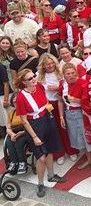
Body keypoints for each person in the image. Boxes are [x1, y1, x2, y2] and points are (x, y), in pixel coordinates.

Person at [15, 69, 66, 198]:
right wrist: (34, 136)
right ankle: (40, 183)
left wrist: (49, 109)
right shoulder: (21, 97)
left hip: (47, 120)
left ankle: (51, 175)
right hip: (34, 126)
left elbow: (46, 102)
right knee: (41, 157)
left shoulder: (39, 87)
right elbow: (24, 121)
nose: (33, 79)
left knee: (50, 150)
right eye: (30, 78)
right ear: (24, 82)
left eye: (33, 76)